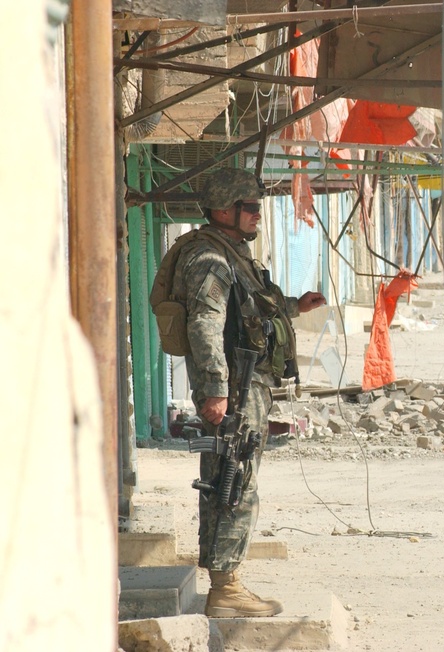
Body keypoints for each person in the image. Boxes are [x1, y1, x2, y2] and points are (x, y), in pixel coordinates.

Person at [170, 168, 326, 617]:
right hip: (235, 388)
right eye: (250, 207)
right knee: (232, 481)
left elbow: (251, 311)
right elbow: (205, 325)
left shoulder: (231, 253)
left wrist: (295, 307)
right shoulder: (209, 260)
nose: (258, 215)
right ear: (224, 210)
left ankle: (228, 580)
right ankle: (225, 588)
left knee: (235, 476)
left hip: (245, 382)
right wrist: (217, 390)